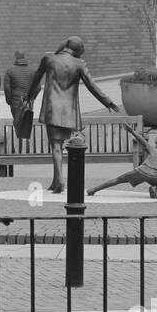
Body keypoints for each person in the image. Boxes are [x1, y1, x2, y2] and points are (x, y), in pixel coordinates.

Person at [25, 36, 121, 194]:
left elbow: (36, 79)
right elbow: (92, 85)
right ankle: (56, 181)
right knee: (59, 145)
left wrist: (29, 96)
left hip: (52, 108)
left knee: (55, 146)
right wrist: (107, 101)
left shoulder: (49, 59)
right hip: (69, 110)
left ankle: (60, 181)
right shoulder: (79, 64)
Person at [4, 50, 35, 151]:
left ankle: (18, 148)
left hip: (16, 101)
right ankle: (27, 147)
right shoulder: (31, 71)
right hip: (28, 102)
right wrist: (32, 97)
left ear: (15, 57)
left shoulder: (10, 70)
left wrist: (9, 100)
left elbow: (7, 87)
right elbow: (38, 87)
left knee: (17, 122)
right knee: (26, 122)